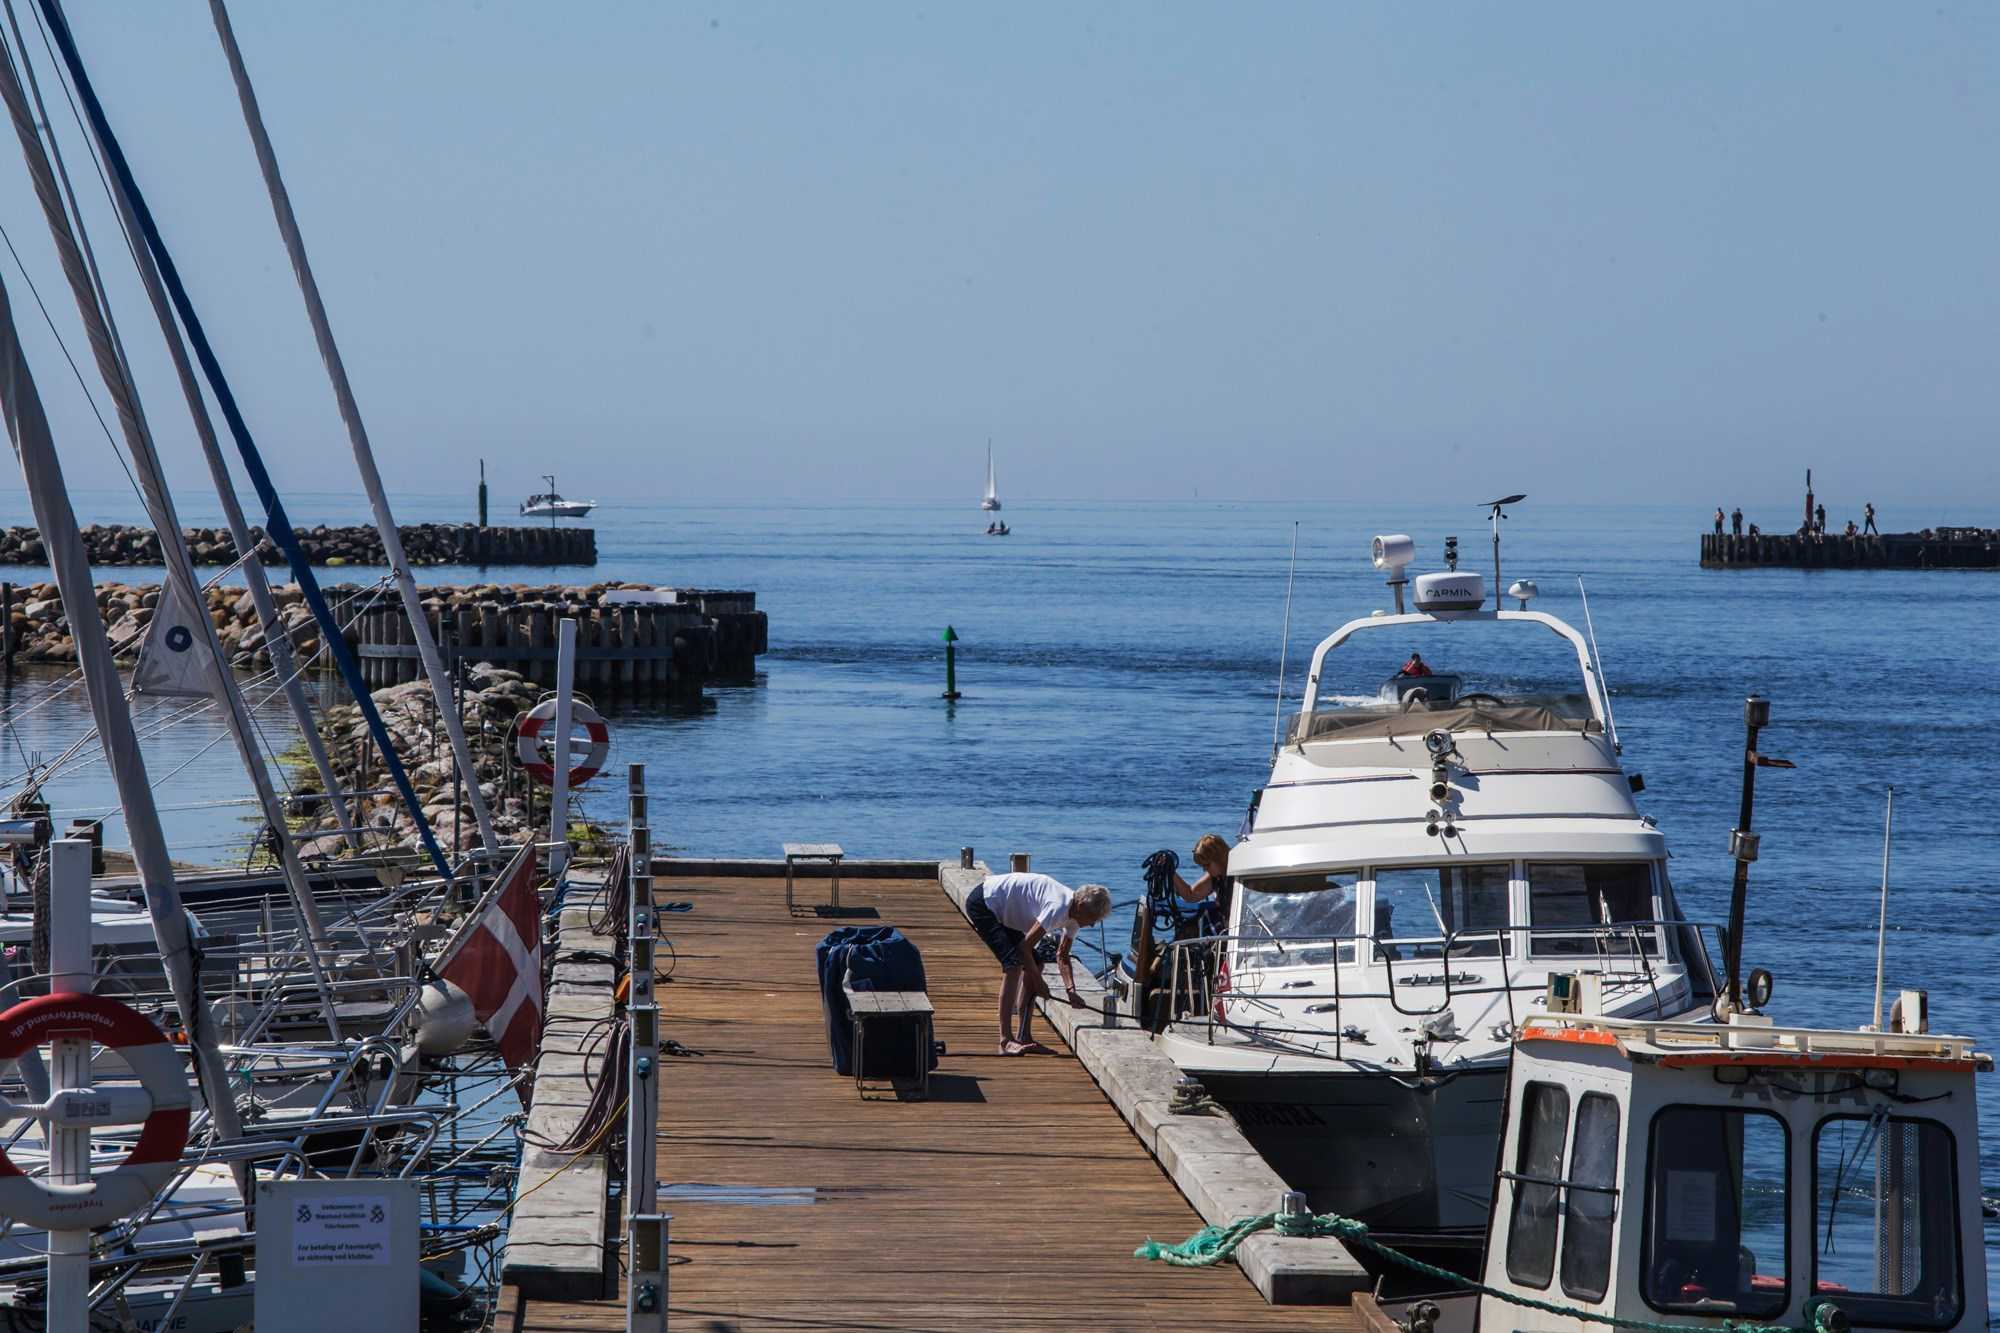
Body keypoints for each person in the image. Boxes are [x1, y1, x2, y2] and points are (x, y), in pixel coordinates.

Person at [965, 872, 1112, 1055]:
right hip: (985, 903)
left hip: (1006, 911)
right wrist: (1039, 982)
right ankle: (1005, 1041)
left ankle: (1024, 1036)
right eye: (1093, 919)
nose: (1092, 925)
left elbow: (1063, 955)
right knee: (1013, 966)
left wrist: (1071, 991)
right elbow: (1025, 947)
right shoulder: (1058, 907)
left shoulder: (1075, 917)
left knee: (1037, 964)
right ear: (1081, 906)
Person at [1171, 833, 1233, 920]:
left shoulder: (1240, 875)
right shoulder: (1215, 877)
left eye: (1207, 865)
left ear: (1219, 859)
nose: (1205, 870)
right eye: (1202, 866)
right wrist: (1171, 872)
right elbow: (1191, 895)